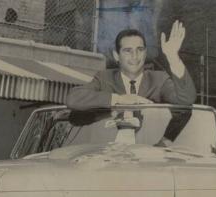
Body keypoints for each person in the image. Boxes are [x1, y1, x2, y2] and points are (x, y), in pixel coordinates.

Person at [66, 20, 196, 146]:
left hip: (147, 155)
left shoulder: (159, 80)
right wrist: (121, 99)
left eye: (140, 49)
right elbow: (73, 99)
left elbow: (186, 102)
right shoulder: (104, 78)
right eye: (127, 50)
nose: (135, 55)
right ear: (116, 55)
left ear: (145, 53)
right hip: (108, 155)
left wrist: (173, 57)